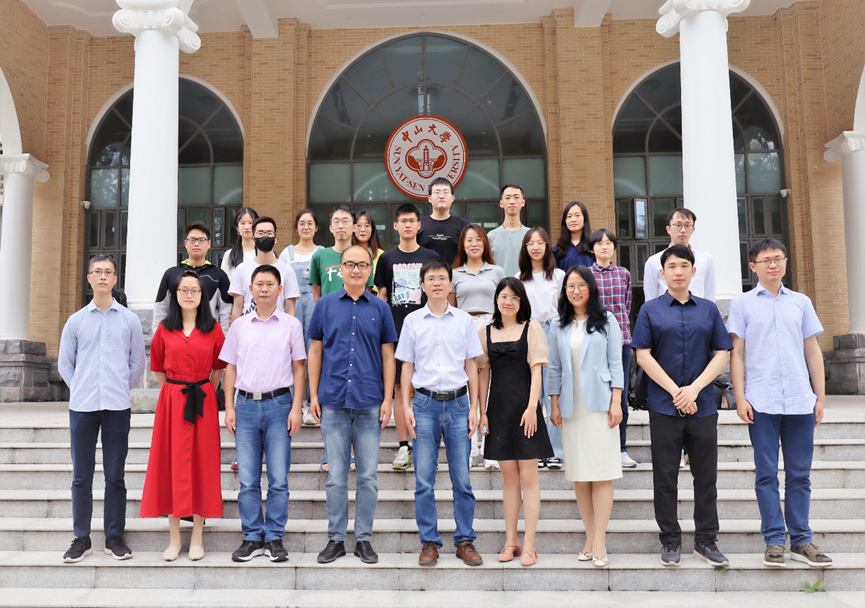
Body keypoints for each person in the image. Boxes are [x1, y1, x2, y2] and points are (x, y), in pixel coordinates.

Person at [728, 239, 832, 569]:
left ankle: (801, 539)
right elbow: (737, 354)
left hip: (800, 400)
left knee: (800, 475)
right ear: (753, 266)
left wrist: (820, 397)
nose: (772, 265)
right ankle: (774, 540)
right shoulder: (742, 304)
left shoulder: (801, 302)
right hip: (762, 401)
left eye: (778, 259)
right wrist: (740, 397)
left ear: (786, 262)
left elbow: (812, 350)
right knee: (766, 474)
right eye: (765, 260)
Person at [632, 245, 732, 568]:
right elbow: (642, 355)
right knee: (665, 476)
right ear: (662, 273)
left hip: (702, 406)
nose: (678, 271)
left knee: (706, 476)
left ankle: (706, 540)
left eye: (684, 266)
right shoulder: (650, 310)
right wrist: (677, 392)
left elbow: (721, 353)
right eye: (672, 266)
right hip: (664, 405)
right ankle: (670, 541)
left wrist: (695, 389)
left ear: (693, 271)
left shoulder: (708, 310)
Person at [307, 245, 398, 565]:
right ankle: (335, 539)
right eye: (350, 264)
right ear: (340, 269)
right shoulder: (325, 305)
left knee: (368, 477)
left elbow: (388, 355)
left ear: (370, 270)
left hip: (369, 401)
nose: (356, 270)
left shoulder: (381, 308)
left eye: (362, 265)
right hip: (332, 400)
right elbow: (315, 350)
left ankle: (363, 539)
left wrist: (388, 399)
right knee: (336, 476)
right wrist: (313, 395)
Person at [396, 257, 485, 567]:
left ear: (450, 284)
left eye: (442, 278)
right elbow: (407, 366)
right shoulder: (412, 321)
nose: (436, 283)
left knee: (462, 480)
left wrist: (475, 407)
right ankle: (429, 542)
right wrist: (406, 406)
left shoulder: (464, 320)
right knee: (424, 480)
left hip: (459, 405)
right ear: (422, 285)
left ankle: (465, 541)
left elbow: (471, 365)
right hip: (424, 404)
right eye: (431, 278)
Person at [58, 255, 146, 563]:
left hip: (117, 406)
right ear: (89, 278)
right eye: (97, 272)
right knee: (81, 476)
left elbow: (137, 364)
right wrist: (82, 386)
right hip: (82, 407)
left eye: (108, 272)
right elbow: (65, 364)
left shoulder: (129, 320)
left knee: (115, 476)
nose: (103, 276)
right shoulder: (76, 320)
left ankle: (114, 536)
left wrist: (119, 386)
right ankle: (81, 537)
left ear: (115, 279)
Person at [220, 265, 307, 563]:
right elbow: (230, 367)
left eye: (270, 284)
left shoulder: (291, 325)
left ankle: (274, 538)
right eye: (259, 284)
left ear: (280, 290)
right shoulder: (239, 326)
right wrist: (229, 407)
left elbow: (299, 368)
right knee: (248, 479)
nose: (265, 288)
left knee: (279, 479)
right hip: (244, 407)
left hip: (279, 405)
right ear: (251, 290)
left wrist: (296, 408)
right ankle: (252, 537)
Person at [140, 271, 226, 562]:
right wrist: (173, 393)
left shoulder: (213, 329)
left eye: (195, 290)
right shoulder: (165, 329)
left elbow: (219, 365)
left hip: (203, 401)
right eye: (183, 290)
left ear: (203, 295)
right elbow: (157, 367)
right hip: (173, 403)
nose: (189, 295)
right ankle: (175, 539)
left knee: (203, 464)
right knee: (172, 465)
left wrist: (207, 389)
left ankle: (198, 537)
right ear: (175, 295)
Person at [547, 266, 624, 568]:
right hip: (571, 406)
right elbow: (554, 367)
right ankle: (589, 537)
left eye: (581, 285)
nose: (576, 291)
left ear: (590, 288)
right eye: (570, 286)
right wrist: (553, 403)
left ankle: (600, 539)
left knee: (601, 472)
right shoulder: (558, 325)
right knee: (580, 474)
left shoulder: (607, 321)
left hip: (601, 404)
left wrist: (616, 401)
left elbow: (616, 363)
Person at [477, 277, 553, 567]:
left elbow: (537, 371)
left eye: (514, 298)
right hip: (498, 410)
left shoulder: (531, 328)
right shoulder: (485, 332)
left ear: (521, 302)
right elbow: (484, 373)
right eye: (503, 296)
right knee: (509, 478)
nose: (508, 302)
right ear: (496, 299)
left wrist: (533, 407)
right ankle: (511, 541)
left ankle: (530, 544)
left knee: (529, 478)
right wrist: (482, 411)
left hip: (525, 410)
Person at [374, 203, 438, 471]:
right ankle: (404, 446)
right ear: (396, 226)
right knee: (401, 389)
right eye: (403, 221)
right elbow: (382, 297)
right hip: (397, 332)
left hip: (428, 331)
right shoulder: (387, 258)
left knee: (427, 387)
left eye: (412, 220)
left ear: (419, 225)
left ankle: (426, 444)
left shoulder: (431, 256)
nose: (408, 225)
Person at [448, 223, 505, 469]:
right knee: (469, 389)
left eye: (478, 239)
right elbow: (451, 309)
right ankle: (471, 449)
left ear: (485, 244)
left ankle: (490, 449)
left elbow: (504, 303)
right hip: (464, 328)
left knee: (489, 391)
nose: (474, 244)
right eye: (469, 239)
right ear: (463, 245)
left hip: (492, 327)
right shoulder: (454, 274)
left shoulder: (496, 271)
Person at [517, 227, 565, 470]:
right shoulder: (518, 278)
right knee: (532, 392)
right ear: (525, 248)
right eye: (530, 243)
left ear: (547, 246)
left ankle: (554, 451)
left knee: (553, 390)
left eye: (540, 242)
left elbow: (565, 307)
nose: (535, 247)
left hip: (554, 329)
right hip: (529, 331)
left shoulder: (559, 275)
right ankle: (535, 449)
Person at [590, 229, 637, 469]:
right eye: (599, 243)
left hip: (622, 342)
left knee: (621, 395)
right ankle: (598, 446)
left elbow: (627, 306)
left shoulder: (623, 274)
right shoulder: (586, 275)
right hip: (594, 342)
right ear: (592, 249)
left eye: (608, 243)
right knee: (597, 394)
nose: (604, 247)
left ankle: (621, 448)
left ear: (614, 248)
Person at [279, 209, 323, 425]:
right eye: (302, 223)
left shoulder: (322, 252)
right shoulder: (286, 254)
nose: (306, 227)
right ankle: (295, 404)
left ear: (316, 228)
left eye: (310, 223)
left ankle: (314, 404)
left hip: (316, 306)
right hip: (293, 307)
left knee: (314, 353)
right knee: (294, 355)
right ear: (296, 228)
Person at [153, 221, 232, 335]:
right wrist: (158, 338)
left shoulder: (218, 275)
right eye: (192, 240)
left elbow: (226, 312)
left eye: (201, 240)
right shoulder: (171, 274)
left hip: (208, 337)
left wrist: (223, 341)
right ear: (185, 243)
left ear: (209, 244)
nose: (196, 244)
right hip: (176, 337)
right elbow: (160, 309)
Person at [229, 216, 300, 322]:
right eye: (260, 233)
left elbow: (290, 310)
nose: (265, 236)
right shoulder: (241, 269)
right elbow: (237, 308)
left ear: (275, 239)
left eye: (269, 233)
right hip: (248, 327)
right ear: (253, 239)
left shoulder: (287, 271)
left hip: (278, 327)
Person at [643, 207, 715, 303]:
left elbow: (710, 294)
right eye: (678, 225)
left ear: (693, 229)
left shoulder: (705, 259)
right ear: (668, 229)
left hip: (697, 310)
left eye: (687, 225)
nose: (683, 230)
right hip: (666, 311)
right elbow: (650, 297)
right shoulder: (653, 261)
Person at [310, 206, 373, 301]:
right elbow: (316, 294)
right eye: (336, 222)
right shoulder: (319, 256)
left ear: (354, 227)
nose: (340, 226)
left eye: (345, 221)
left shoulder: (364, 256)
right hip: (329, 309)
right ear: (331, 228)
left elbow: (368, 292)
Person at [417, 177, 470, 265]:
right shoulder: (418, 224)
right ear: (429, 198)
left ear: (452, 198)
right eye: (437, 192)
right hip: (425, 273)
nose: (441, 196)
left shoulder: (463, 225)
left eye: (446, 192)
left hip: (456, 273)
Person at [487, 185, 530, 276]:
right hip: (500, 284)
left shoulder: (531, 235)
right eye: (507, 198)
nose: (512, 201)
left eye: (516, 197)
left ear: (523, 202)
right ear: (501, 203)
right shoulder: (491, 236)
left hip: (525, 284)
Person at [553, 201, 594, 271]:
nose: (573, 220)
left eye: (577, 215)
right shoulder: (557, 250)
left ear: (585, 218)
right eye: (569, 216)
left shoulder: (593, 248)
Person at [221, 207, 259, 280]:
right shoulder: (229, 255)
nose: (247, 227)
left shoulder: (265, 253)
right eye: (243, 223)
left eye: (250, 223)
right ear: (237, 228)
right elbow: (224, 282)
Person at [352, 210, 387, 286]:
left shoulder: (381, 254)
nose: (362, 230)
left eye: (367, 226)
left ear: (372, 229)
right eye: (359, 226)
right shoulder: (347, 253)